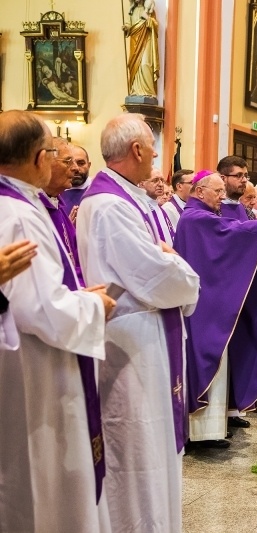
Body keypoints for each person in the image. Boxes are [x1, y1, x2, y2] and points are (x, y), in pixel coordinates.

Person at [77, 113, 201, 532]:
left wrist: (170, 261)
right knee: (137, 445)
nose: (155, 155)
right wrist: (186, 274)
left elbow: (157, 261)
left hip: (142, 331)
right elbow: (155, 273)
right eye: (152, 146)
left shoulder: (125, 198)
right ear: (135, 150)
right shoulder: (111, 205)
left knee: (151, 442)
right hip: (131, 340)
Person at [0, 110, 115, 533]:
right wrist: (93, 307)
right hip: (35, 370)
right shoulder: (19, 214)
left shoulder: (19, 205)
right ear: (36, 158)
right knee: (41, 487)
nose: (57, 162)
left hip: (26, 360)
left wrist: (75, 298)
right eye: (53, 152)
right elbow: (39, 310)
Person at [175, 175, 257, 447]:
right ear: (199, 191)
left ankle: (212, 430)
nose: (222, 198)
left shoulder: (204, 215)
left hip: (213, 300)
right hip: (203, 306)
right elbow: (233, 234)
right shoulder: (194, 217)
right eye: (218, 192)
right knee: (208, 359)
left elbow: (234, 232)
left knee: (221, 362)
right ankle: (199, 434)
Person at [40, 137, 84, 285]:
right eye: (67, 161)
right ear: (45, 163)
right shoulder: (33, 208)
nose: (75, 168)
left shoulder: (57, 205)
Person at [124, 0, 160, 97]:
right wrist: (126, 28)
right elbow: (129, 25)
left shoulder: (150, 11)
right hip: (134, 42)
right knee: (135, 65)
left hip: (146, 40)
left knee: (145, 64)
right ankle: (135, 91)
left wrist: (147, 17)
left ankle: (148, 92)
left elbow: (156, 26)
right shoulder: (132, 11)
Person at [138, 166, 176, 245]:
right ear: (142, 183)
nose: (161, 184)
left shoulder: (160, 208)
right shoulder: (140, 208)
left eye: (162, 180)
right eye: (155, 180)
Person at [217, 155, 250, 221]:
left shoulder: (247, 211)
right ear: (223, 179)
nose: (244, 180)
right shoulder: (213, 210)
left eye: (246, 176)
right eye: (238, 175)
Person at [61, 144, 92, 212]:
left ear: (89, 165)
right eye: (70, 163)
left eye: (81, 163)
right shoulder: (56, 192)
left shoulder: (97, 191)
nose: (76, 168)